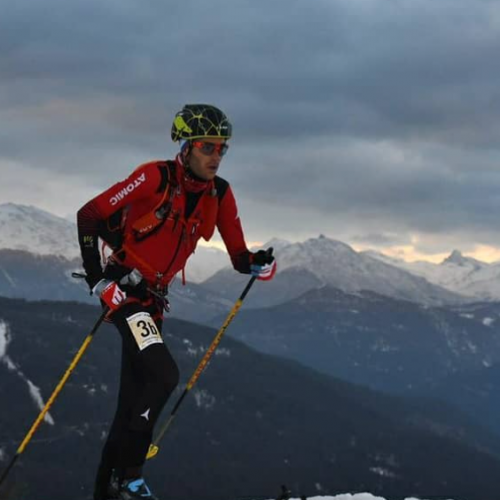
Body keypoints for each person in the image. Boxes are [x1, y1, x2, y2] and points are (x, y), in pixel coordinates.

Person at [76, 104, 277, 500]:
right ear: (185, 147)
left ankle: (107, 490)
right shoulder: (153, 177)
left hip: (152, 301)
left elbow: (238, 258)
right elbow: (89, 214)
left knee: (130, 404)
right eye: (207, 147)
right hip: (123, 291)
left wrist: (257, 263)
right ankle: (131, 478)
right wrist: (98, 281)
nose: (216, 156)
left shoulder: (219, 194)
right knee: (164, 374)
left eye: (222, 149)